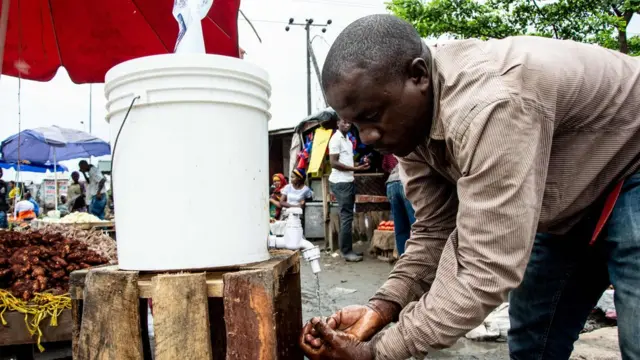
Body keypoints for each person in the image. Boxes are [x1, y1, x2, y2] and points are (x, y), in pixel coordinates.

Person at [300, 14, 640, 360]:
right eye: (356, 124)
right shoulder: (410, 128)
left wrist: (377, 353)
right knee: (532, 340)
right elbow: (434, 230)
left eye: (372, 116)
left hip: (631, 165)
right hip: (572, 203)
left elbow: (485, 267)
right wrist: (383, 307)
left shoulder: (491, 105)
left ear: (418, 75)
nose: (367, 137)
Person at [328, 118, 370, 262]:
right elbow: (333, 163)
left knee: (348, 216)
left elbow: (347, 162)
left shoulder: (348, 140)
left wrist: (361, 164)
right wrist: (355, 169)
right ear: (337, 123)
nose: (347, 125)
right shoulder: (335, 139)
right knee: (346, 217)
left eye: (349, 123)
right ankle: (346, 252)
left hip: (348, 180)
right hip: (340, 182)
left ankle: (348, 250)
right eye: (344, 122)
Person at [383, 155, 415, 256]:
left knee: (400, 227)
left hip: (391, 183)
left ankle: (403, 259)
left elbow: (385, 165)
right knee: (417, 226)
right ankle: (417, 259)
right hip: (405, 181)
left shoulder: (391, 148)